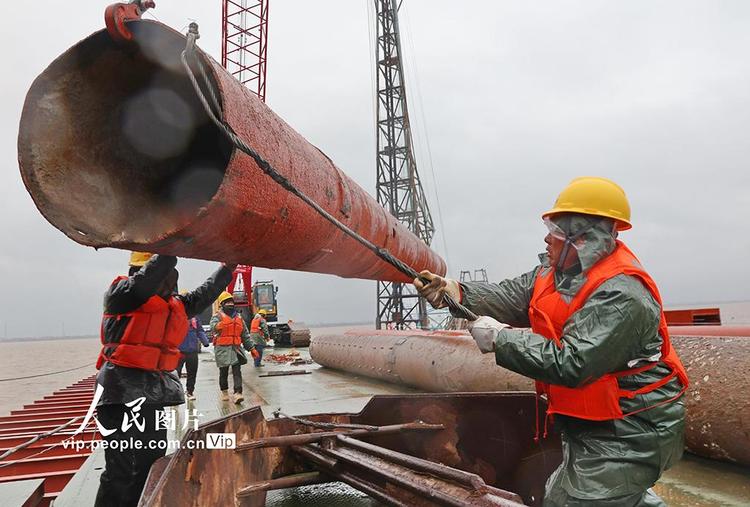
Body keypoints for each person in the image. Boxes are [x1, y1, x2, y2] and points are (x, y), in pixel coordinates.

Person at [414, 177, 688, 507]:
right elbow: (511, 296)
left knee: (570, 501)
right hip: (592, 422)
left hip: (630, 431)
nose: (547, 236)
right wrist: (455, 292)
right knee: (594, 495)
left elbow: (573, 363)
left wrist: (502, 340)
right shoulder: (557, 272)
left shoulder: (621, 295)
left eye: (556, 229)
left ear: (584, 239)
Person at [95, 252, 235, 507]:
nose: (169, 285)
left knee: (153, 461)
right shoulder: (122, 295)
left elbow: (205, 294)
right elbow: (146, 280)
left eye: (172, 280)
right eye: (165, 278)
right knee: (122, 472)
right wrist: (170, 247)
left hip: (151, 394)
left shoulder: (175, 304)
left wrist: (227, 268)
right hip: (118, 393)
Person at [209, 292, 254, 404]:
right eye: (227, 302)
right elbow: (212, 327)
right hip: (222, 349)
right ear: (222, 304)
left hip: (236, 348)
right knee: (223, 371)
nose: (230, 304)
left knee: (237, 370)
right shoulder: (217, 316)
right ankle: (224, 392)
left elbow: (245, 334)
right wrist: (217, 326)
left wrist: (252, 348)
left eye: (231, 302)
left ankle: (238, 393)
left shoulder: (239, 317)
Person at [177, 312, 210, 401]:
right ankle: (176, 393)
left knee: (192, 372)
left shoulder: (194, 317)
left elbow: (199, 330)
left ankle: (190, 391)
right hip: (178, 350)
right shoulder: (176, 315)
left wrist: (205, 341)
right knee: (176, 373)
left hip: (192, 350)